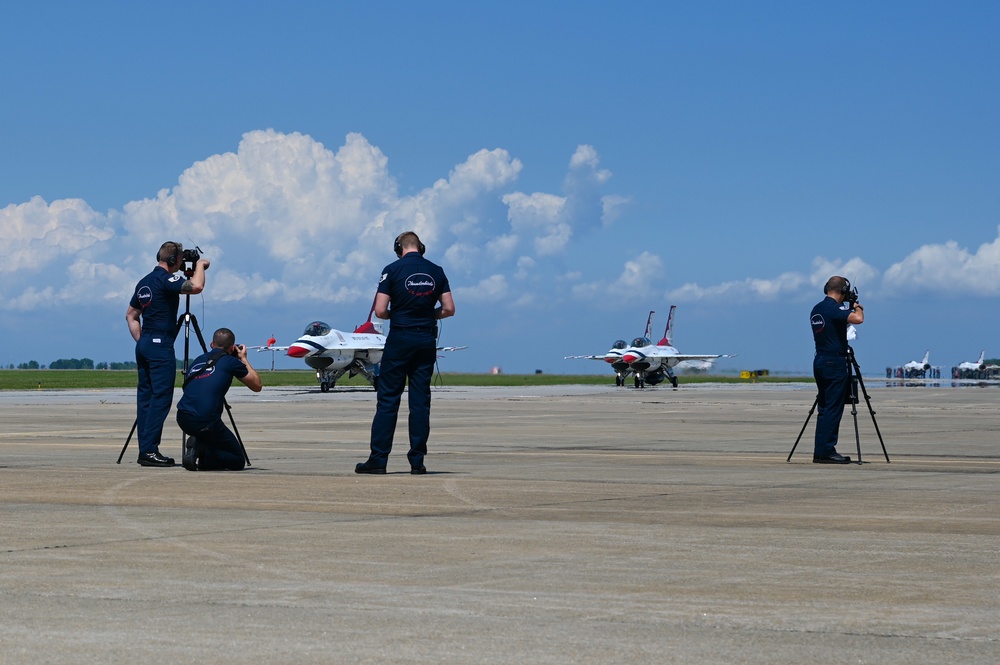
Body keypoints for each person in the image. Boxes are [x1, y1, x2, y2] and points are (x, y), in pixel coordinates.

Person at [356, 231, 455, 475]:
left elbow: (379, 311)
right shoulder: (437, 270)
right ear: (421, 247)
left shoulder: (391, 270)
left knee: (388, 399)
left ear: (399, 248)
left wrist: (398, 315)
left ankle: (378, 459)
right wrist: (427, 314)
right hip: (425, 339)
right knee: (420, 401)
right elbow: (449, 309)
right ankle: (417, 461)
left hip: (400, 337)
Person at [126, 241, 210, 467]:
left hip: (144, 344)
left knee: (145, 397)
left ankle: (145, 449)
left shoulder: (144, 282)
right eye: (181, 259)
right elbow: (196, 287)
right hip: (160, 344)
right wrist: (201, 265)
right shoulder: (167, 279)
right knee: (161, 399)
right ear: (173, 261)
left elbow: (131, 316)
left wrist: (142, 340)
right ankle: (150, 450)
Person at [176, 328, 262, 471]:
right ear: (233, 347)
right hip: (206, 420)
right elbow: (257, 385)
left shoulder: (199, 360)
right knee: (236, 460)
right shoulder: (230, 362)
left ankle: (203, 454)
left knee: (212, 450)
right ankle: (201, 449)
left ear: (211, 344)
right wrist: (243, 358)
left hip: (183, 417)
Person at [810, 276, 865, 464]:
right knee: (834, 407)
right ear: (842, 291)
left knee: (824, 408)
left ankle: (820, 450)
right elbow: (858, 319)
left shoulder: (817, 309)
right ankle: (827, 451)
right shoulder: (834, 309)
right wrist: (857, 306)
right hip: (835, 362)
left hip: (820, 360)